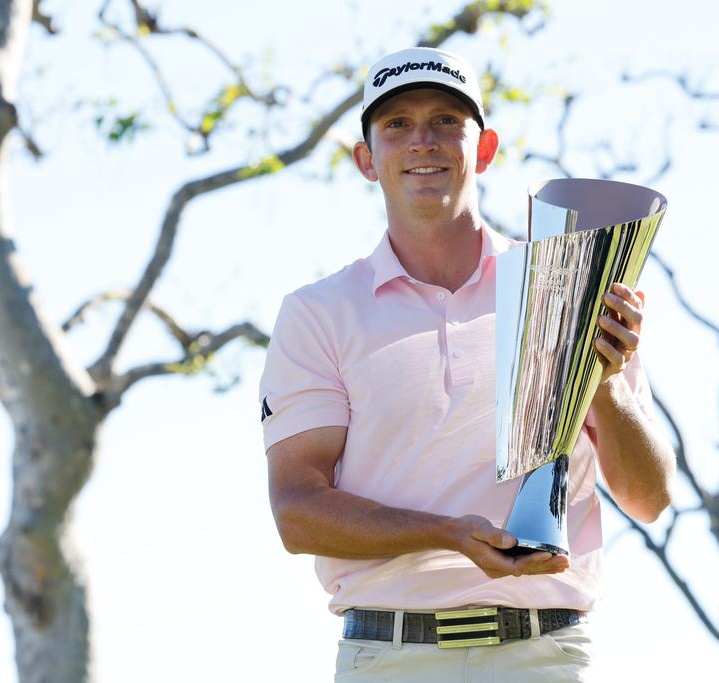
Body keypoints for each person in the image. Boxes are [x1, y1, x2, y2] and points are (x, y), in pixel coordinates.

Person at [259, 46, 677, 682]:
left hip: (545, 654)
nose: (423, 141)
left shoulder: (568, 287)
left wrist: (609, 388)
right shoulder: (318, 313)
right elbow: (296, 512)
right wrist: (448, 533)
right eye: (397, 124)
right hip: (387, 657)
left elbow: (649, 499)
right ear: (366, 160)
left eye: (447, 121)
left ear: (484, 149)